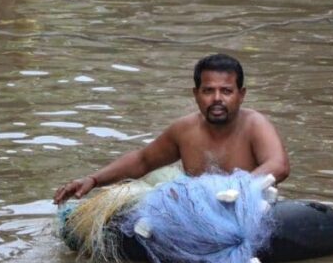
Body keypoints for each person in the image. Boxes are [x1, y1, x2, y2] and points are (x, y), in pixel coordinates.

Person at [53, 54, 290, 204]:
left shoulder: (255, 124)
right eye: (208, 91)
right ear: (196, 94)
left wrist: (231, 190)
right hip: (197, 213)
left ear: (241, 95)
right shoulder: (184, 130)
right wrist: (93, 179)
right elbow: (143, 161)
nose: (217, 98)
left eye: (226, 91)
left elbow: (278, 166)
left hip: (248, 210)